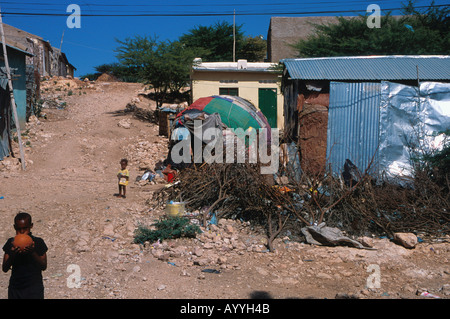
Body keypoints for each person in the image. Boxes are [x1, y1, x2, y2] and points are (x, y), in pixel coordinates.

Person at [2, 212, 48, 299]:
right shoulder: (11, 243)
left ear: (31, 226)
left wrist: (33, 252)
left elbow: (43, 266)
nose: (22, 231)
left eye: (25, 228)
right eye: (19, 229)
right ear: (15, 227)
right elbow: (5, 268)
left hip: (34, 288)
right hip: (16, 288)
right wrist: (13, 255)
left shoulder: (38, 242)